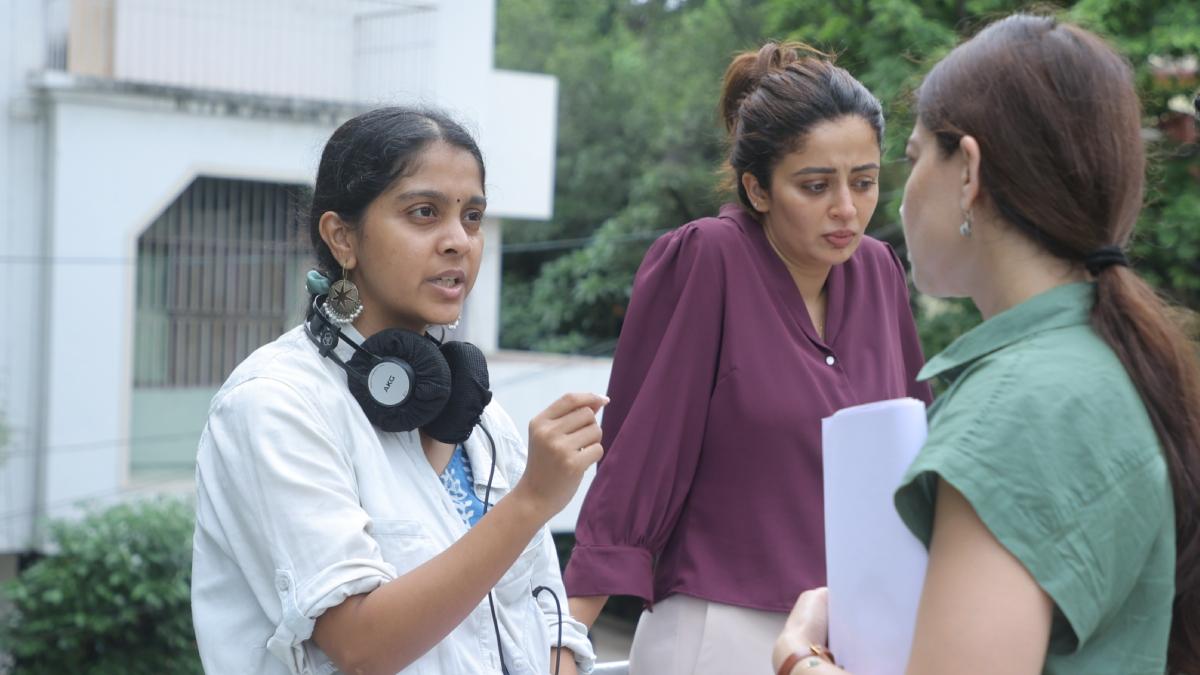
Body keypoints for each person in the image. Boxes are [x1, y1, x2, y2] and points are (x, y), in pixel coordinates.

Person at [772, 14, 1200, 675]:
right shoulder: (1107, 364)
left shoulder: (1017, 406)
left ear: (967, 170)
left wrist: (802, 661)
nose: (895, 197)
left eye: (912, 160)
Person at [191, 107, 603, 675]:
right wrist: (531, 501)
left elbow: (547, 622)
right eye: (424, 213)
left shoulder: (482, 419)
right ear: (342, 237)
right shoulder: (274, 404)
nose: (459, 241)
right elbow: (362, 646)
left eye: (473, 216)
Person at [564, 42, 933, 674]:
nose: (847, 208)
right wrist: (567, 638)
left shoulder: (878, 271)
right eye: (815, 186)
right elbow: (644, 450)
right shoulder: (709, 258)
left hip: (863, 636)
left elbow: (914, 453)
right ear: (758, 188)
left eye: (864, 181)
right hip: (720, 630)